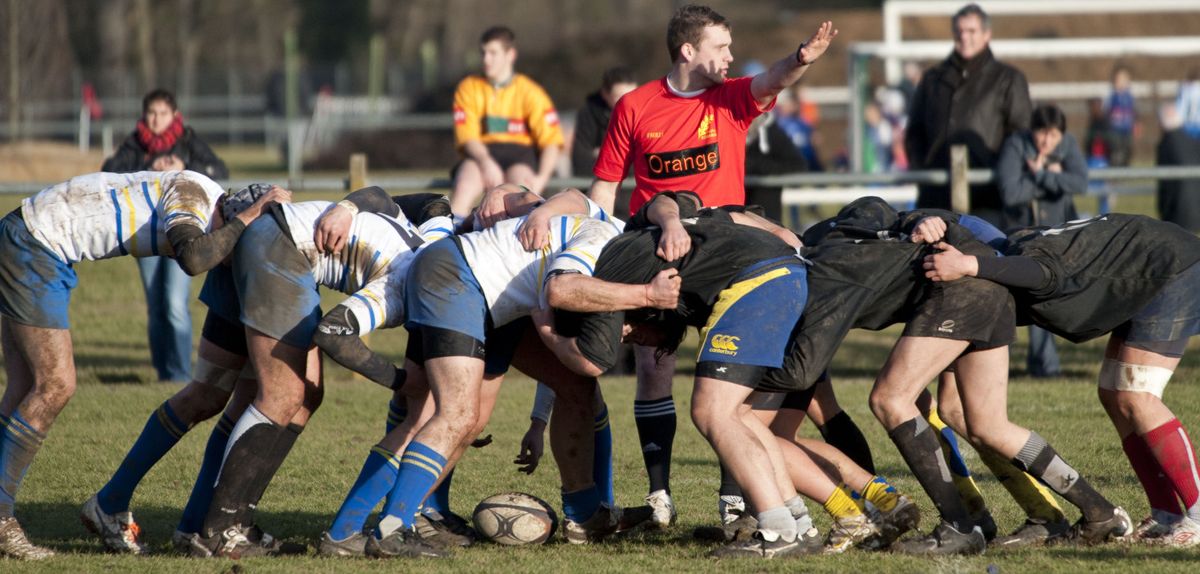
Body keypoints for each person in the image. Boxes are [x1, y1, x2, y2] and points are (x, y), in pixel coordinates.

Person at [587, 3, 838, 527]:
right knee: (655, 370)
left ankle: (735, 498)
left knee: (728, 379)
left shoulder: (731, 98)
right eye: (720, 46)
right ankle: (659, 496)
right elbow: (606, 187)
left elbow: (773, 78)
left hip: (730, 256)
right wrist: (594, 246)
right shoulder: (635, 105)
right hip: (663, 251)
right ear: (687, 51)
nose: (729, 56)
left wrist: (802, 58)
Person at [0, 170, 285, 560]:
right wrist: (248, 220)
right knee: (55, 386)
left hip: (30, 238)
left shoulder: (205, 195)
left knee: (21, 390)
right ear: (228, 213)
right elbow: (194, 257)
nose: (228, 262)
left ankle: (95, 506)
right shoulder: (192, 197)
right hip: (37, 246)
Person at [186, 191, 453, 558]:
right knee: (281, 397)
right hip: (279, 245)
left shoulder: (437, 242)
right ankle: (220, 531)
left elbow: (432, 201)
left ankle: (232, 523)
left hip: (281, 244)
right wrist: (401, 380)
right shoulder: (403, 287)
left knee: (306, 397)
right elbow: (333, 333)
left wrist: (347, 208)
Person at [926, 212, 1200, 547]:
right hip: (1140, 267)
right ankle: (1166, 513)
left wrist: (968, 265)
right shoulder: (1007, 246)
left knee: (1135, 395)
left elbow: (1035, 272)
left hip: (1173, 267)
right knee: (1113, 394)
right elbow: (966, 223)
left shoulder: (1028, 263)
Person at [102, 89, 229, 384]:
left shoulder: (187, 140)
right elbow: (108, 172)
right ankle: (164, 373)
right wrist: (148, 171)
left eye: (162, 113)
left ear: (174, 115)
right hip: (144, 233)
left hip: (181, 234)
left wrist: (185, 169)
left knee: (174, 303)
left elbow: (219, 170)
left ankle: (181, 376)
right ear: (144, 116)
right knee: (156, 306)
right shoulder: (135, 145)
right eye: (151, 113)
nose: (156, 119)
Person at [905, 3, 1032, 225]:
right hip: (935, 198)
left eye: (971, 31)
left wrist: (1001, 176)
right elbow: (914, 132)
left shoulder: (1008, 79)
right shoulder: (933, 78)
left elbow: (1019, 134)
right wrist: (925, 170)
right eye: (960, 31)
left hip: (989, 200)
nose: (965, 37)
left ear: (986, 34)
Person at [996, 104, 1086, 378]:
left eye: (1054, 136)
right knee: (1017, 301)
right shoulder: (1015, 146)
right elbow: (1011, 192)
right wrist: (1053, 178)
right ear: (1032, 131)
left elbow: (1080, 182)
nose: (1047, 142)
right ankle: (1020, 366)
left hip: (1056, 235)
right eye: (1042, 134)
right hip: (1021, 236)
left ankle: (1046, 366)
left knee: (1047, 299)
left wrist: (1039, 174)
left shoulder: (1069, 144)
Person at [449, 26, 564, 218]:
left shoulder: (531, 92)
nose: (486, 59)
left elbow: (551, 142)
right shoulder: (468, 87)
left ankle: (519, 243)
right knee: (464, 186)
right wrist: (486, 162)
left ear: (510, 55)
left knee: (524, 193)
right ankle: (447, 238)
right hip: (480, 154)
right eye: (483, 53)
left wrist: (541, 179)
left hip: (520, 155)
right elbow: (467, 136)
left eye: (493, 53)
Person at [571, 67, 638, 181]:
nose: (628, 102)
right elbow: (581, 160)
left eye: (633, 96)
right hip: (601, 185)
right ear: (605, 94)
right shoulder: (588, 115)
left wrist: (603, 154)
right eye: (620, 97)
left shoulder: (645, 113)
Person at [1156, 102, 1200, 232]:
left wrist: (1164, 213)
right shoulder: (1193, 141)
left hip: (1178, 213)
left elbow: (1167, 184)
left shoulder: (1166, 144)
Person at [1103, 65, 1138, 167]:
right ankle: (1115, 171)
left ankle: (1125, 170)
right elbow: (1106, 111)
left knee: (1128, 150)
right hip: (1114, 129)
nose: (1121, 83)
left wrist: (1136, 124)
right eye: (1118, 80)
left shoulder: (1130, 96)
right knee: (1116, 150)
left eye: (1124, 80)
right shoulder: (1112, 96)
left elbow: (1134, 112)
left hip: (1127, 129)